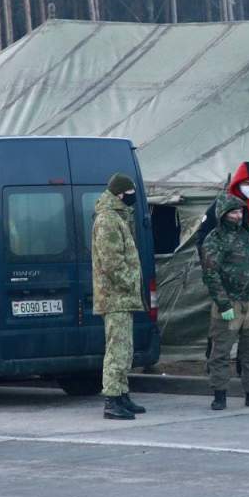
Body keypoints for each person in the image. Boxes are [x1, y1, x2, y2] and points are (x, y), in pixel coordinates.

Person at [201, 194, 249, 410]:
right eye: (233, 212)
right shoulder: (214, 239)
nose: (238, 216)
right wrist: (223, 304)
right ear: (223, 214)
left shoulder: (247, 236)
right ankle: (219, 394)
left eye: (240, 212)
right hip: (230, 304)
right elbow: (211, 273)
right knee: (221, 351)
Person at [91, 173, 147, 421]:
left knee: (125, 348)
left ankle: (122, 393)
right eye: (130, 193)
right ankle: (112, 400)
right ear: (121, 194)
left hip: (122, 297)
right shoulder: (108, 220)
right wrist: (129, 283)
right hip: (116, 296)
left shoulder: (118, 217)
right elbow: (112, 261)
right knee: (117, 349)